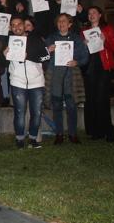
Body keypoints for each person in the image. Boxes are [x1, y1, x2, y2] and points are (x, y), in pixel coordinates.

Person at [5, 16, 50, 149]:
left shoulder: (36, 39)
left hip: (36, 82)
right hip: (17, 81)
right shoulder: (8, 41)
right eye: (13, 25)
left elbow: (46, 56)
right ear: (10, 28)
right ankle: (19, 139)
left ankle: (33, 139)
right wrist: (3, 55)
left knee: (36, 112)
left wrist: (28, 56)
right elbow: (2, 63)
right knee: (19, 112)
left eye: (19, 24)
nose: (17, 27)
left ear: (25, 26)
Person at [45, 14, 89, 145]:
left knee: (71, 107)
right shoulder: (51, 38)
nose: (61, 23)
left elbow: (85, 57)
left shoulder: (76, 38)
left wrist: (77, 62)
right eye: (59, 21)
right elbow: (41, 56)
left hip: (71, 77)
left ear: (70, 24)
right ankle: (59, 134)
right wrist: (48, 50)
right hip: (55, 77)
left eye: (64, 21)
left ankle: (73, 134)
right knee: (57, 106)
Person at [81, 6, 114, 142]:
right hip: (90, 68)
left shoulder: (107, 29)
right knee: (91, 100)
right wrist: (83, 45)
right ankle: (96, 132)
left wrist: (106, 40)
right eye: (89, 13)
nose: (91, 15)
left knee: (102, 100)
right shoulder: (84, 31)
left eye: (94, 13)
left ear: (100, 15)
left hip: (104, 68)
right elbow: (81, 53)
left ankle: (109, 132)